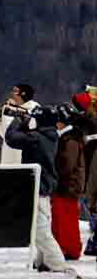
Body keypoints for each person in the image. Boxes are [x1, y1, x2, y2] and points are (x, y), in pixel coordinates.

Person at [5, 104, 74, 274]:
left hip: (37, 186)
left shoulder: (36, 138)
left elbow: (11, 139)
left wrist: (18, 121)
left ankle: (57, 263)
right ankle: (43, 261)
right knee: (43, 225)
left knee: (39, 228)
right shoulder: (51, 136)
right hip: (45, 186)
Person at [51, 102, 86, 259]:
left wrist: (54, 173)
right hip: (66, 185)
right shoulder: (66, 138)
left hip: (68, 186)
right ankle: (66, 247)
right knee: (63, 218)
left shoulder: (70, 140)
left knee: (66, 219)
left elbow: (68, 165)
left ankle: (70, 249)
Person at [72, 90, 97, 256]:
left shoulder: (89, 122)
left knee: (91, 204)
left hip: (89, 168)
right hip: (88, 167)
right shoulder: (89, 121)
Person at [0, 83, 39, 165]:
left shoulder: (33, 111)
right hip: (9, 153)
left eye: (15, 91)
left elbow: (10, 133)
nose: (12, 94)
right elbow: (6, 135)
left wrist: (7, 113)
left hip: (21, 154)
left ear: (23, 94)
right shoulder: (14, 109)